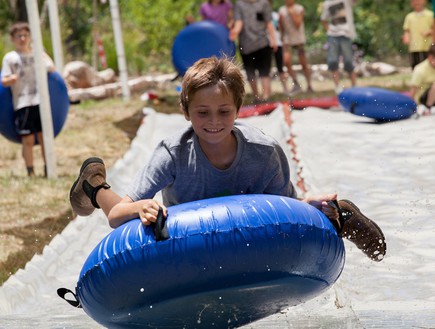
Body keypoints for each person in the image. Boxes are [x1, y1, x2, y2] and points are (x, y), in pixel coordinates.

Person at [69, 56, 386, 262]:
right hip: (185, 236)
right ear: (186, 111)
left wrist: (314, 208)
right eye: (202, 113)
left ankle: (339, 216)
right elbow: (118, 216)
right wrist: (141, 207)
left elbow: (285, 209)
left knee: (305, 211)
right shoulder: (174, 152)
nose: (214, 122)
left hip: (237, 232)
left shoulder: (262, 152)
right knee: (115, 207)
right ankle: (94, 186)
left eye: (224, 112)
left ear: (239, 109)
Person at [1, 22, 55, 177]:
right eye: (19, 36)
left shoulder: (38, 54)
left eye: (25, 35)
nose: (23, 39)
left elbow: (51, 68)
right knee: (28, 139)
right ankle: (30, 171)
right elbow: (4, 80)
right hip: (23, 103)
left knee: (44, 137)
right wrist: (11, 78)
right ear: (13, 39)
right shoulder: (10, 58)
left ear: (30, 37)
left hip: (41, 101)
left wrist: (41, 52)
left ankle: (48, 168)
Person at [229, 0, 277, 102]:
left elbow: (269, 22)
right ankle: (256, 97)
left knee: (264, 71)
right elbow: (239, 22)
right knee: (250, 72)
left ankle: (266, 96)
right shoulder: (239, 4)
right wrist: (235, 32)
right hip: (246, 45)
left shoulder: (264, 3)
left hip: (263, 42)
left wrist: (273, 40)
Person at [320, 0, 357, 94]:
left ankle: (354, 86)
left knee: (348, 61)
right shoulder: (327, 3)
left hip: (346, 34)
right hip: (333, 35)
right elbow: (323, 19)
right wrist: (330, 31)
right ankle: (337, 87)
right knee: (333, 61)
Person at [279, 0, 313, 95]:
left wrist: (291, 13)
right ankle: (296, 83)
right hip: (288, 40)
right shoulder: (282, 10)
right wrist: (281, 35)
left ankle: (309, 84)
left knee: (303, 64)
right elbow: (280, 24)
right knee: (287, 62)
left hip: (299, 40)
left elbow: (298, 24)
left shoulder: (299, 8)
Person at [402, 0, 433, 69]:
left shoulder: (430, 15)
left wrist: (429, 32)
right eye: (414, 1)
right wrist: (406, 37)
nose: (417, 2)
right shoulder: (409, 17)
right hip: (414, 48)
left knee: (428, 67)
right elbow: (407, 31)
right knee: (415, 67)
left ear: (424, 1)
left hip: (427, 47)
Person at [409, 43, 435, 114]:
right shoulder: (420, 70)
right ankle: (427, 108)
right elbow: (413, 90)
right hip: (423, 100)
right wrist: (410, 107)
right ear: (430, 57)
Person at [270, 0, 289, 94]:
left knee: (281, 67)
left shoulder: (275, 15)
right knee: (266, 69)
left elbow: (281, 29)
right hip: (266, 45)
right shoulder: (260, 15)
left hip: (278, 43)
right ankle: (268, 90)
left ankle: (286, 89)